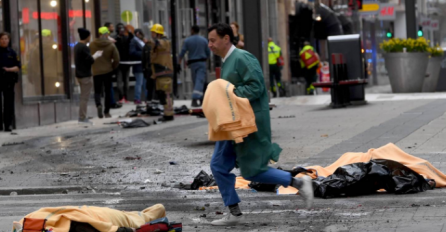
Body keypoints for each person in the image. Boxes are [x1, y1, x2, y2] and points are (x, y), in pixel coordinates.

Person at [207, 23, 314, 226]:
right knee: (218, 165)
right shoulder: (228, 61)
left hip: (248, 125)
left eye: (213, 40)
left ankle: (299, 182)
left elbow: (256, 87)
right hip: (234, 125)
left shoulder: (242, 58)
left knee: (251, 171)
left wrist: (228, 95)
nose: (209, 44)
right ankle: (234, 213)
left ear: (226, 39)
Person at [90, 27, 120, 118]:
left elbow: (89, 56)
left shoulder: (92, 44)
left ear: (99, 34)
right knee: (107, 91)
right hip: (107, 71)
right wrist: (113, 67)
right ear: (107, 34)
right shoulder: (111, 45)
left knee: (97, 91)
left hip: (96, 71)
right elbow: (117, 59)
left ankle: (98, 104)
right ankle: (106, 111)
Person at [146, 24, 174, 122]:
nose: (152, 35)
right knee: (161, 94)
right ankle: (167, 113)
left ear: (158, 34)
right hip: (159, 73)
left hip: (164, 72)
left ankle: (169, 114)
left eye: (153, 33)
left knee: (166, 94)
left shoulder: (164, 42)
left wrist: (151, 41)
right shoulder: (157, 43)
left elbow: (159, 44)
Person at [74, 28, 102, 124]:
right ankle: (82, 117)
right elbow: (90, 60)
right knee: (84, 97)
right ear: (87, 37)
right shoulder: (84, 47)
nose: (90, 37)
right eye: (89, 36)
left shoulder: (77, 46)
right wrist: (96, 56)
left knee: (83, 96)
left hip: (79, 74)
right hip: (85, 75)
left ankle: (82, 116)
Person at [178, 25, 210, 107]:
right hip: (201, 63)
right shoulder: (204, 40)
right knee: (200, 81)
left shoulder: (187, 41)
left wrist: (178, 63)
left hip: (192, 64)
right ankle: (195, 99)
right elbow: (208, 53)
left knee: (196, 81)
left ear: (192, 30)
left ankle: (200, 98)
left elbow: (182, 53)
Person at [0, 32, 20, 132]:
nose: (4, 41)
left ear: (8, 40)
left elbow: (18, 67)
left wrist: (8, 69)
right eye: (2, 39)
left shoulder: (12, 53)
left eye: (6, 39)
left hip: (9, 81)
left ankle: (8, 124)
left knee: (9, 103)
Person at [104, 22, 122, 109]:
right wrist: (114, 65)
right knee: (108, 85)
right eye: (111, 27)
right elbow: (115, 56)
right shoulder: (109, 41)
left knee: (106, 86)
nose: (113, 28)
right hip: (107, 66)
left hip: (102, 67)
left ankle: (107, 103)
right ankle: (111, 102)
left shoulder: (109, 40)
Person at [115, 23, 133, 103]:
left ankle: (126, 97)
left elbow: (131, 37)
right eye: (120, 29)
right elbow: (116, 44)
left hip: (126, 63)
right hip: (119, 64)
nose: (121, 31)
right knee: (119, 82)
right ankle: (121, 96)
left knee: (126, 82)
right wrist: (119, 36)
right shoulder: (116, 38)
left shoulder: (127, 38)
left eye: (122, 29)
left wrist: (128, 30)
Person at [129, 28, 147, 105]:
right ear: (137, 34)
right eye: (141, 34)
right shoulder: (134, 41)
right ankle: (137, 98)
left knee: (145, 83)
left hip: (144, 65)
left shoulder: (142, 41)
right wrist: (144, 53)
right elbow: (132, 52)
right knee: (139, 83)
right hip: (138, 65)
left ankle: (147, 98)